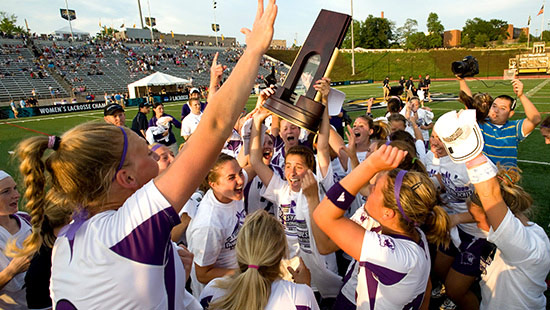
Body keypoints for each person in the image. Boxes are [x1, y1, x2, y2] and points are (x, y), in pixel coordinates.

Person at [7, 1, 278, 307]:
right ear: (127, 178)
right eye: (148, 154)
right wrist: (254, 51)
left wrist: (172, 280)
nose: (160, 158)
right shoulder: (127, 229)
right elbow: (215, 125)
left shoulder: (70, 236)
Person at [313, 145, 450, 310]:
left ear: (388, 213)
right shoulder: (416, 235)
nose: (369, 188)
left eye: (375, 188)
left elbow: (324, 216)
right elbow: (426, 290)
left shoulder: (394, 256)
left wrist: (370, 165)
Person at [250, 78, 342, 300]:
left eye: (299, 167)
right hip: (291, 271)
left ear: (311, 169)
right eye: (288, 167)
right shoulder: (281, 190)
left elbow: (322, 144)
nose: (292, 172)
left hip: (323, 274)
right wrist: (258, 120)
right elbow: (255, 160)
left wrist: (326, 101)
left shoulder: (321, 185)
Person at [467, 165, 550, 310]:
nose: (477, 226)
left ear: (495, 218)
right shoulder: (528, 232)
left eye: (476, 220)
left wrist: (471, 156)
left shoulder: (523, 247)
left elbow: (490, 196)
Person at [199, 210, 319, 310]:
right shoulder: (299, 297)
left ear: (240, 250)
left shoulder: (212, 292)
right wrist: (305, 286)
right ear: (282, 253)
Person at [186, 154, 254, 297]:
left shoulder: (232, 192)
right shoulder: (209, 224)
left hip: (238, 282)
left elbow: (253, 167)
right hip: (220, 296)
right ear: (213, 183)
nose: (241, 180)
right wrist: (249, 271)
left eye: (240, 172)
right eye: (231, 177)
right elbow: (203, 274)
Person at [458, 78, 541, 166]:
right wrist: (462, 79)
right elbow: (468, 101)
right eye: (494, 106)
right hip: (487, 177)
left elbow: (535, 119)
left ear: (510, 114)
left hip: (506, 177)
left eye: (503, 108)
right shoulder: (481, 123)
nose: (496, 111)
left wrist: (521, 95)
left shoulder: (515, 127)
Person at [0, 171, 31, 310]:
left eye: (15, 188)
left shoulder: (26, 219)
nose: (16, 195)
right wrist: (11, 271)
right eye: (6, 191)